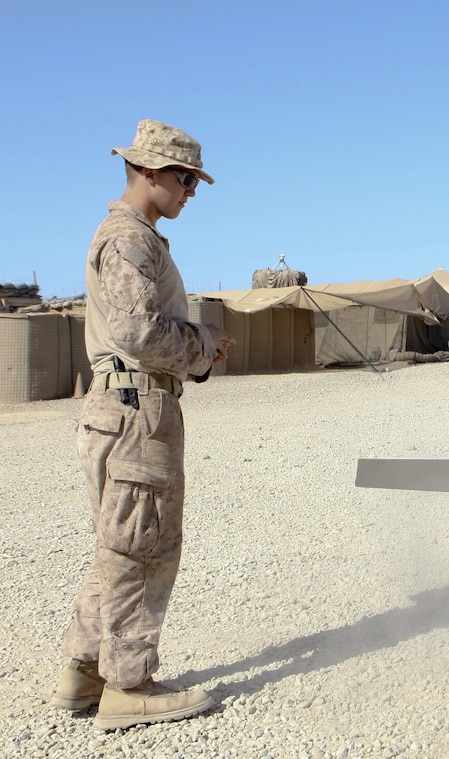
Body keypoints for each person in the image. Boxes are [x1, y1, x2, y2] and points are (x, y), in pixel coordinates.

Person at [51, 119, 235, 730]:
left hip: (129, 406)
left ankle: (85, 670)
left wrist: (196, 357)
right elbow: (135, 332)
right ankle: (128, 686)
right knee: (143, 547)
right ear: (150, 172)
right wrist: (200, 342)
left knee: (119, 545)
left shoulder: (138, 237)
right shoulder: (129, 240)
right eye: (185, 179)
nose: (191, 191)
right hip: (137, 413)